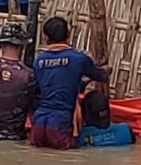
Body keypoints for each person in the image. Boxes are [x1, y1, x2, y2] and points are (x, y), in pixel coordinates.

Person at [30, 17, 110, 149]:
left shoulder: (39, 61)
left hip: (38, 125)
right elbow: (101, 76)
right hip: (60, 125)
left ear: (46, 38)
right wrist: (106, 70)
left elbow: (50, 87)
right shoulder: (79, 59)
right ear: (68, 34)